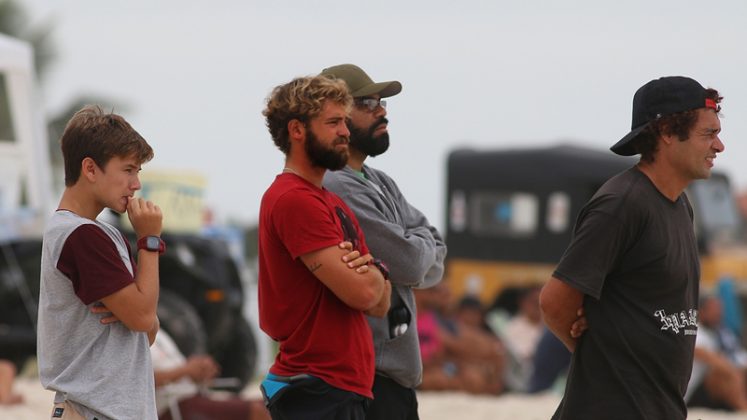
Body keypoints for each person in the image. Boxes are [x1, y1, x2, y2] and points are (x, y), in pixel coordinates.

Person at [539, 76, 724, 419]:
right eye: (708, 134)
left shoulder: (680, 206)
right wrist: (601, 356)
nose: (719, 146)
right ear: (667, 132)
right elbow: (554, 302)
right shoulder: (622, 203)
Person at [258, 75, 391, 420]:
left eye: (345, 122)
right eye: (333, 122)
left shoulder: (331, 202)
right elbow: (365, 295)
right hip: (316, 388)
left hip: (336, 388)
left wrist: (372, 274)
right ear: (297, 130)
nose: (345, 132)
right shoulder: (294, 200)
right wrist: (374, 271)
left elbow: (382, 306)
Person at [320, 63, 447, 420]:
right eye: (367, 103)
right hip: (367, 381)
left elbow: (435, 253)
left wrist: (415, 247)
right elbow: (409, 262)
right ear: (334, 117)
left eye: (382, 103)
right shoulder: (337, 185)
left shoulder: (379, 180)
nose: (381, 112)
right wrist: (416, 246)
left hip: (390, 381)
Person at [37, 105, 163, 419]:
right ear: (91, 169)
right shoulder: (80, 236)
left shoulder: (102, 234)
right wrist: (149, 240)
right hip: (94, 411)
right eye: (128, 169)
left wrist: (136, 312)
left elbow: (145, 330)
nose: (136, 185)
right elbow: (144, 318)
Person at [151, 329, 271, 420]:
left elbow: (183, 370)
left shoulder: (157, 331)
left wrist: (200, 371)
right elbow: (145, 381)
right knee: (257, 411)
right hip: (172, 406)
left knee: (269, 405)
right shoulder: (138, 336)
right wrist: (186, 370)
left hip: (193, 395)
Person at [686, 294, 747, 411]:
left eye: (719, 309)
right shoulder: (694, 332)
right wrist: (733, 372)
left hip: (703, 389)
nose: (718, 313)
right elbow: (710, 358)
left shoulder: (717, 333)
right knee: (723, 375)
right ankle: (744, 409)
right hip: (691, 391)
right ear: (702, 311)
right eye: (714, 309)